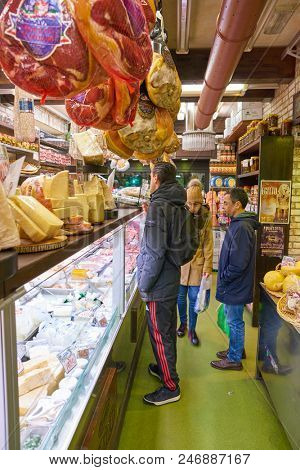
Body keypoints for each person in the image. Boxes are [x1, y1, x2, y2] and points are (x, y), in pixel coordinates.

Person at [137, 162, 187, 406]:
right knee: (166, 331)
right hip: (171, 275)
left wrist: (143, 284)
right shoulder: (176, 202)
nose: (150, 179)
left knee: (159, 333)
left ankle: (170, 386)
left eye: (150, 176)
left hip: (159, 282)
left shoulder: (159, 205)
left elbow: (155, 251)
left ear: (156, 177)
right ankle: (163, 367)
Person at [211, 188, 260, 371]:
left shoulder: (242, 227)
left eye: (226, 203)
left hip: (235, 284)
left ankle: (234, 359)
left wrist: (224, 277)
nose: (223, 207)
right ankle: (237, 350)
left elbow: (239, 263)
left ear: (237, 204)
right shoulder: (239, 224)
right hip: (236, 283)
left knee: (234, 321)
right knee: (233, 318)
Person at [177, 183, 213, 345]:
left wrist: (207, 267)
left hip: (198, 264)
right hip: (181, 264)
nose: (192, 207)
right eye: (189, 203)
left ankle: (192, 330)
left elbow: (208, 243)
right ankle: (183, 324)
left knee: (194, 299)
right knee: (180, 298)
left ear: (201, 202)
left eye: (196, 204)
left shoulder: (206, 217)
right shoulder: (180, 214)